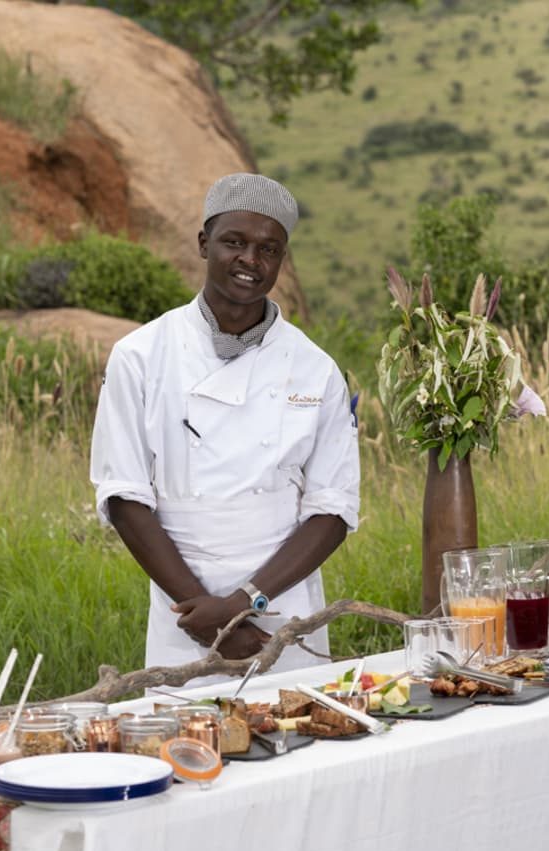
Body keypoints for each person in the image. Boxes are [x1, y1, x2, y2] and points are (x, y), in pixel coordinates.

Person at [89, 173, 360, 679]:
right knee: (187, 744)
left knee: (299, 736)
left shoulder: (314, 368)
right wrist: (209, 617)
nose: (251, 262)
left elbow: (333, 508)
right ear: (203, 243)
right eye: (234, 242)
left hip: (282, 603)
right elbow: (125, 497)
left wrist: (246, 601)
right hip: (182, 604)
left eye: (269, 249)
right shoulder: (140, 356)